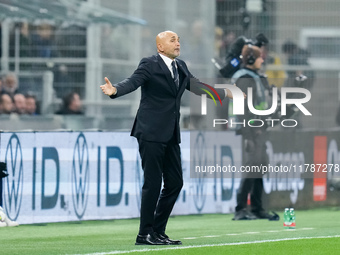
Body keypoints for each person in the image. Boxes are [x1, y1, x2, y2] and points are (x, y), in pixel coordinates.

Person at [100, 30, 233, 245]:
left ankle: (158, 231)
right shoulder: (149, 64)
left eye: (179, 39)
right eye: (173, 40)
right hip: (151, 132)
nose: (178, 43)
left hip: (170, 133)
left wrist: (225, 93)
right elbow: (133, 81)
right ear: (160, 46)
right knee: (152, 183)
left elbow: (197, 86)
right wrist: (115, 90)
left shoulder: (180, 66)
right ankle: (144, 234)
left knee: (175, 182)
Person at [230, 44, 279, 221]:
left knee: (260, 165)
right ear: (251, 59)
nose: (262, 60)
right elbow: (242, 109)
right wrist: (250, 132)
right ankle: (241, 208)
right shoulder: (245, 79)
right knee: (252, 166)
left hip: (256, 129)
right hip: (249, 130)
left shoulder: (254, 77)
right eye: (259, 57)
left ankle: (257, 207)